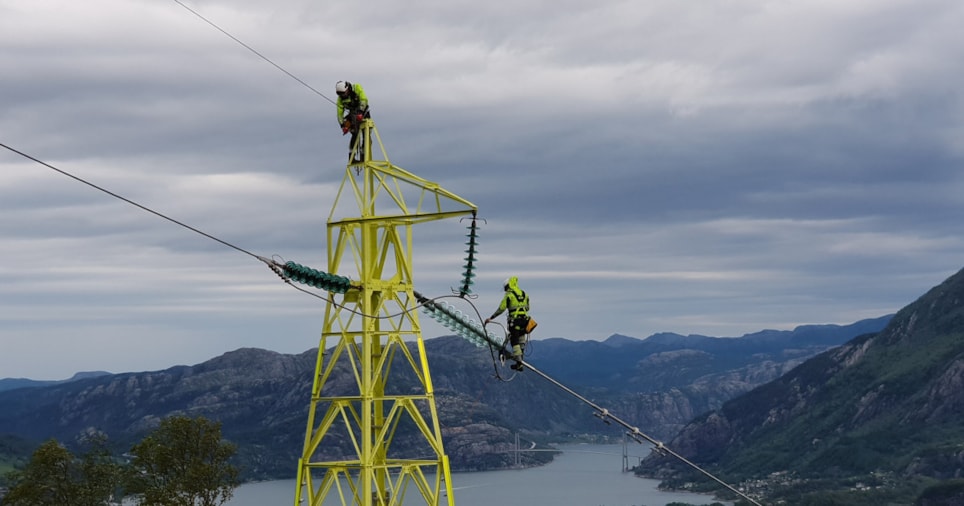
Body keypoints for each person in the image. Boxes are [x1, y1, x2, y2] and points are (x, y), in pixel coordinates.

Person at [484, 276, 531, 371]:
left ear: (508, 286)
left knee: (515, 341)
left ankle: (519, 363)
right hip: (525, 321)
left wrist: (491, 318)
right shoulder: (524, 293)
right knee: (522, 340)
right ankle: (520, 360)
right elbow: (528, 307)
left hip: (515, 321)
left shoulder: (509, 295)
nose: (505, 290)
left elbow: (501, 308)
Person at [335, 81, 370, 163]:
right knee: (354, 133)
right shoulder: (340, 100)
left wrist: (361, 112)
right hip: (352, 114)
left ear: (347, 89)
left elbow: (364, 99)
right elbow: (339, 114)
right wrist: (343, 126)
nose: (342, 96)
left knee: (367, 134)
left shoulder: (357, 88)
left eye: (343, 93)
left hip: (363, 112)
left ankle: (363, 154)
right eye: (339, 94)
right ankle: (352, 156)